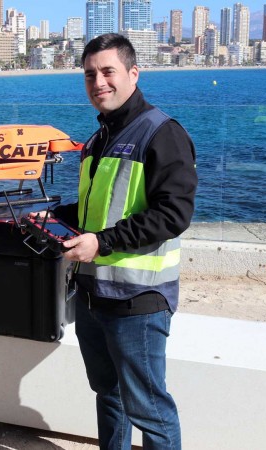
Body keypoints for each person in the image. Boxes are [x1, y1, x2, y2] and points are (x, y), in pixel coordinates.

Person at [41, 34, 197, 449]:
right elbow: (98, 210)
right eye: (90, 74)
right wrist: (54, 216)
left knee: (150, 410)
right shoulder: (98, 138)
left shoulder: (162, 133)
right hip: (94, 294)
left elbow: (173, 214)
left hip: (138, 301)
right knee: (108, 396)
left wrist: (102, 243)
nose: (99, 82)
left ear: (132, 73)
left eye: (108, 71)